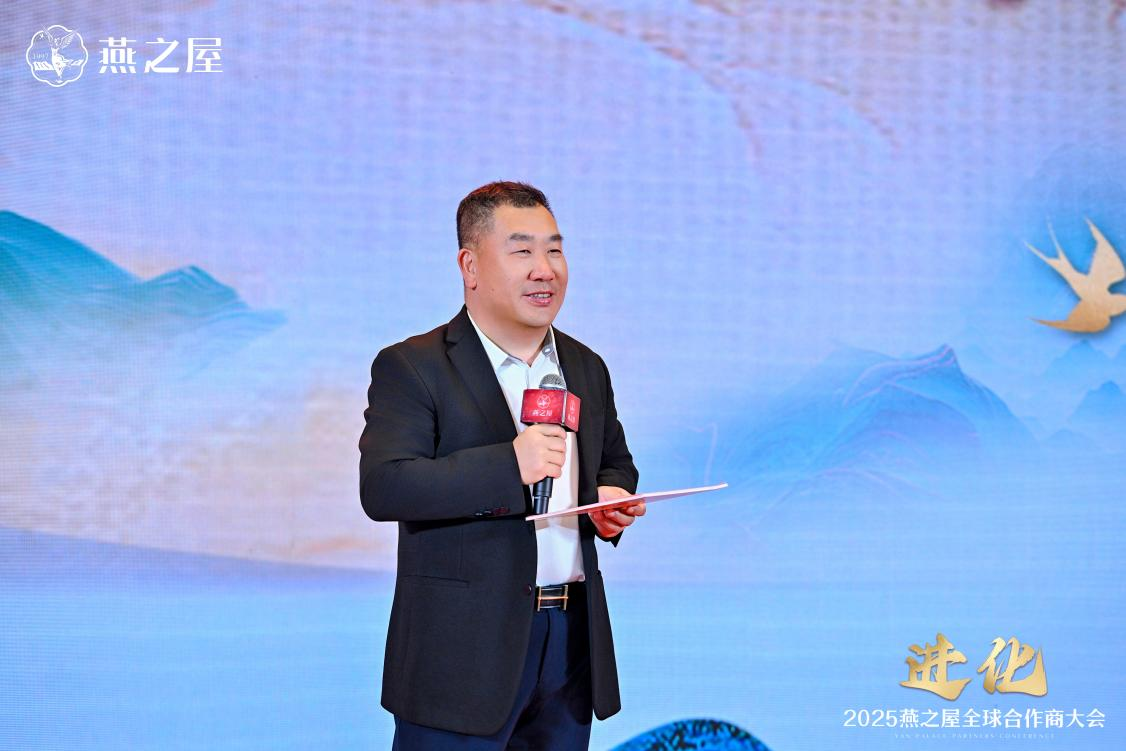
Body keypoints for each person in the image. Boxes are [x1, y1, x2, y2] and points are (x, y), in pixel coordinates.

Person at [358, 181, 646, 749]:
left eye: (555, 250)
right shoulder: (413, 366)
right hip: (459, 657)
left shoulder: (586, 365)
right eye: (522, 251)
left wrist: (610, 499)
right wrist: (509, 465)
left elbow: (615, 462)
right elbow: (386, 485)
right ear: (470, 266)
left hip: (569, 645)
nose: (545, 270)